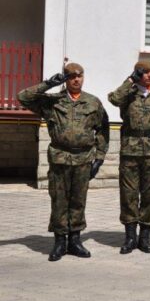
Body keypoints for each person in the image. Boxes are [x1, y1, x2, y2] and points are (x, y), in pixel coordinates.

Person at [18, 63, 109, 261]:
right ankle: (60, 241)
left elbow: (103, 130)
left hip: (83, 158)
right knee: (59, 199)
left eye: (79, 76)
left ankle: (75, 241)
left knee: (78, 200)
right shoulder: (52, 101)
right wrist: (48, 84)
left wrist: (99, 158)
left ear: (83, 77)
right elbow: (23, 97)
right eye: (71, 76)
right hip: (60, 157)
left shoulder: (93, 102)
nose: (76, 79)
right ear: (66, 79)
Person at [108, 60, 150, 254]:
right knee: (128, 195)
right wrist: (129, 81)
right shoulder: (128, 95)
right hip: (130, 151)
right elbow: (113, 99)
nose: (149, 75)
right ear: (137, 74)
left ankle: (144, 237)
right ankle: (129, 237)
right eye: (145, 72)